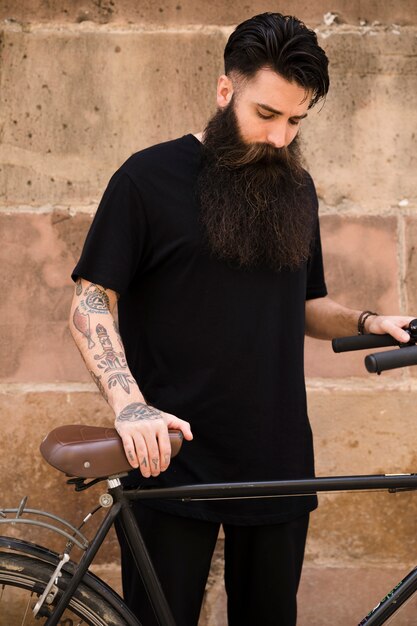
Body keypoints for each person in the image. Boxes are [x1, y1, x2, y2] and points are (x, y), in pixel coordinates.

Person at [69, 12, 413, 626]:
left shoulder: (296, 187)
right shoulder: (146, 178)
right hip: (169, 454)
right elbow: (89, 301)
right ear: (226, 91)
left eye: (296, 121)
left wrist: (369, 319)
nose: (281, 137)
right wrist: (129, 406)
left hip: (276, 458)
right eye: (266, 115)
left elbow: (302, 305)